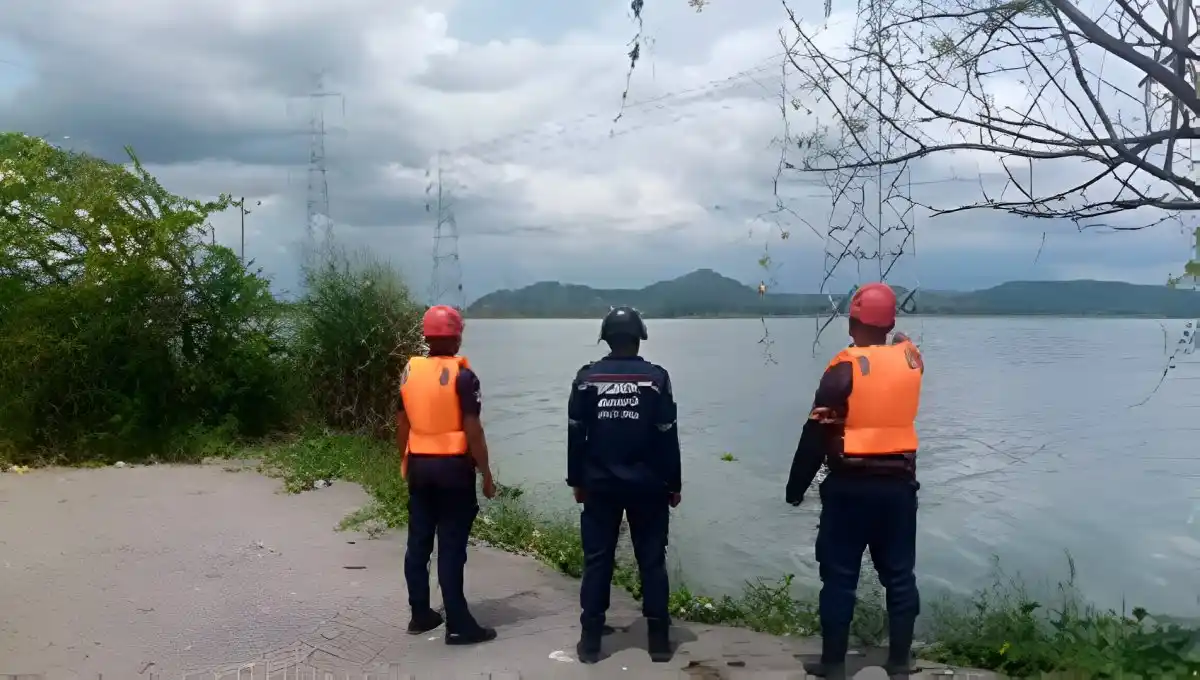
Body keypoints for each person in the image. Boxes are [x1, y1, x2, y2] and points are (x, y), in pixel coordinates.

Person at [785, 282, 924, 679]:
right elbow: (904, 342)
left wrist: (796, 489)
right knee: (899, 575)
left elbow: (814, 437)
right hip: (899, 487)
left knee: (840, 576)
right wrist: (897, 337)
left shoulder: (842, 369)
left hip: (849, 487)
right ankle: (899, 661)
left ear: (852, 321)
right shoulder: (912, 359)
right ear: (891, 321)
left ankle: (833, 665)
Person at [567, 306, 682, 665]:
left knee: (597, 561)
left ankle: (589, 642)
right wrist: (674, 483)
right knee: (652, 561)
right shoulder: (656, 379)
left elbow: (576, 436)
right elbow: (667, 437)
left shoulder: (587, 378)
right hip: (649, 488)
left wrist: (576, 480)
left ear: (606, 338)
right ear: (638, 338)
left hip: (599, 486)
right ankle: (659, 641)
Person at [397, 304, 498, 646]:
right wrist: (486, 473)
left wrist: (405, 461)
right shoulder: (464, 377)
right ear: (456, 336)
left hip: (420, 468)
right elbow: (473, 430)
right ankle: (458, 623)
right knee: (451, 547)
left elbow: (402, 423)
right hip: (454, 470)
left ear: (426, 336)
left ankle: (420, 614)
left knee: (419, 543)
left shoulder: (410, 371)